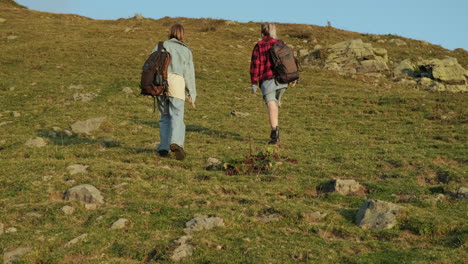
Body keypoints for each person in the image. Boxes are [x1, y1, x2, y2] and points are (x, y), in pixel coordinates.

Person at [153, 24, 196, 160]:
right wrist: (191, 94)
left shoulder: (161, 45)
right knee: (177, 115)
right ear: (182, 34)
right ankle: (176, 142)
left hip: (161, 83)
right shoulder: (186, 51)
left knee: (164, 117)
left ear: (170, 33)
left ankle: (163, 148)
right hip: (177, 83)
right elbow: (189, 74)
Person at [250, 23, 290, 145]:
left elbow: (255, 65)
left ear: (262, 32)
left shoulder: (259, 46)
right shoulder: (281, 44)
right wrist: (292, 78)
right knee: (275, 104)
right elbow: (288, 61)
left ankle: (274, 134)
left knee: (271, 105)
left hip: (267, 81)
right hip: (282, 80)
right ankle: (275, 128)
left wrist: (254, 83)